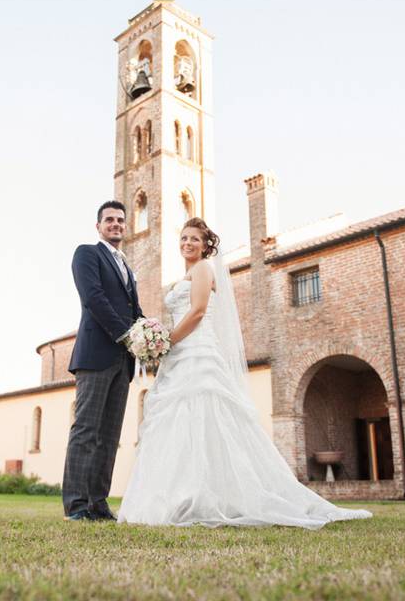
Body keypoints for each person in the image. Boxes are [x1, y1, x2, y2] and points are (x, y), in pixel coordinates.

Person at [118, 218, 372, 528]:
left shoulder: (203, 269)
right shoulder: (184, 275)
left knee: (205, 417)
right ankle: (184, 497)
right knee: (181, 423)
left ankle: (215, 496)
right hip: (181, 354)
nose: (187, 243)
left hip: (198, 352)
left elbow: (197, 312)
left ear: (205, 245)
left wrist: (166, 341)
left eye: (194, 239)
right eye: (183, 238)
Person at [62, 200, 144, 521]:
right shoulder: (87, 254)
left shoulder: (127, 267)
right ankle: (77, 505)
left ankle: (98, 503)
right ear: (98, 226)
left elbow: (134, 312)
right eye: (109, 220)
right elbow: (93, 298)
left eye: (120, 221)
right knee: (86, 431)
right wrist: (127, 335)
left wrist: (151, 334)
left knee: (109, 436)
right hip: (96, 355)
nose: (116, 224)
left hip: (122, 363)